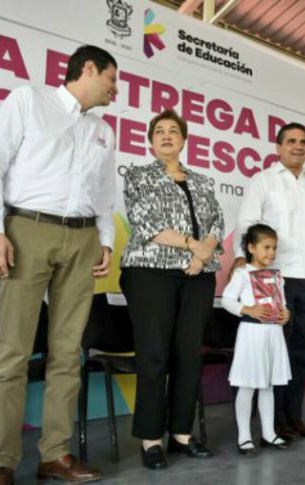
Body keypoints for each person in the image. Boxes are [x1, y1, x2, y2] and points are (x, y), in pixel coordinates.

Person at [0, 44, 118, 484]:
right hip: (26, 231)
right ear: (87, 68)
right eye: (111, 79)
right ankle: (2, 463)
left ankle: (55, 454)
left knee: (67, 353)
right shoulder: (28, 100)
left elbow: (105, 193)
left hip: (82, 239)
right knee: (13, 353)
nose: (116, 89)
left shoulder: (103, 131)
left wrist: (106, 241)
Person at [119, 109, 224, 469]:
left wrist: (202, 254)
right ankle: (151, 439)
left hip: (199, 274)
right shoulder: (138, 175)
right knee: (154, 355)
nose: (166, 135)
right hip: (150, 271)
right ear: (150, 141)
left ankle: (181, 434)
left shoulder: (203, 181)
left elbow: (217, 222)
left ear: (183, 139)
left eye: (173, 131)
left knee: (189, 355)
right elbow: (145, 222)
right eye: (159, 131)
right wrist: (192, 245)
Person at [232, 122, 305, 440]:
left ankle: (293, 417)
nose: (298, 147)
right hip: (274, 279)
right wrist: (241, 262)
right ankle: (272, 424)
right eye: (291, 141)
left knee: (302, 349)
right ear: (278, 147)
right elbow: (247, 223)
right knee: (277, 352)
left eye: (303, 141)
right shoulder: (263, 180)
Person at [222, 224, 292, 455]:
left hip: (273, 334)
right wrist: (248, 309)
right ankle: (244, 436)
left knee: (268, 385)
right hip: (251, 334)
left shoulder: (276, 276)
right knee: (248, 385)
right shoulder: (242, 273)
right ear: (251, 248)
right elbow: (227, 300)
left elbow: (281, 303)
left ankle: (268, 433)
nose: (271, 253)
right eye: (266, 247)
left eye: (274, 248)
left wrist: (285, 314)